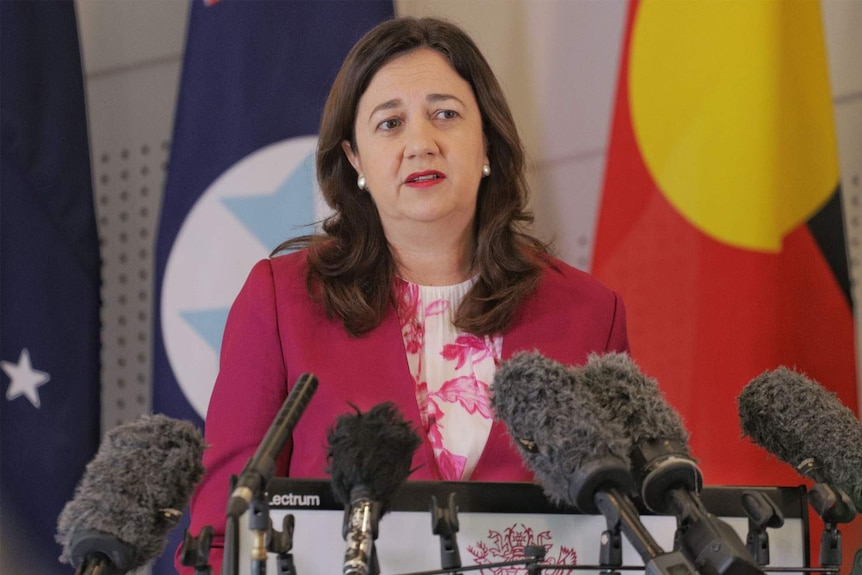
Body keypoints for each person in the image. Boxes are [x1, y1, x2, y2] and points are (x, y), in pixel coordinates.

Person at [176, 16, 628, 574]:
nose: (420, 143)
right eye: (390, 123)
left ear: (487, 141)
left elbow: (621, 526)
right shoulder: (282, 302)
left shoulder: (587, 314)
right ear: (356, 160)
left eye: (445, 114)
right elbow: (221, 535)